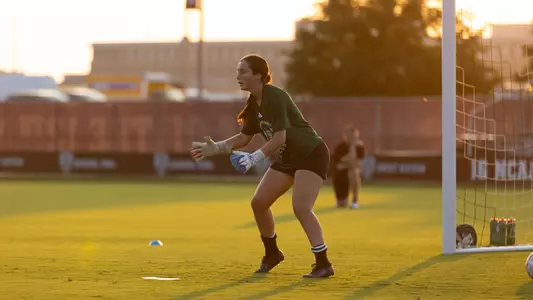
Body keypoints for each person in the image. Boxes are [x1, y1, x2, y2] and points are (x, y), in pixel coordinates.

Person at [189, 54, 334, 278]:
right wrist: (215, 148)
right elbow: (243, 138)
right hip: (288, 157)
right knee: (259, 203)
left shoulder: (275, 97)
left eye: (243, 71)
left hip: (310, 153)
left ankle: (323, 263)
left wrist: (255, 157)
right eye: (238, 71)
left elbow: (280, 138)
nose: (238, 76)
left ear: (258, 75)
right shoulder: (253, 103)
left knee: (301, 207)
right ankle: (272, 253)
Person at [331, 126, 365, 209]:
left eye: (354, 136)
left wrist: (347, 164)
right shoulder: (340, 147)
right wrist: (352, 148)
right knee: (342, 205)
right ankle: (342, 198)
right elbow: (343, 161)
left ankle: (355, 200)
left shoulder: (360, 147)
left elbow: (358, 163)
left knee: (353, 172)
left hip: (351, 172)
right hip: (340, 175)